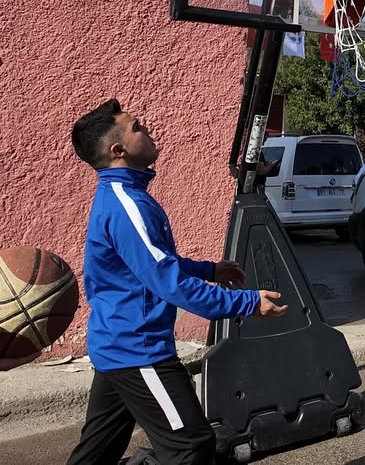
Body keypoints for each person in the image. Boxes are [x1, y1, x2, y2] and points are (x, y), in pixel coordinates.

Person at [67, 100, 288, 465]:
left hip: (117, 346)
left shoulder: (124, 196)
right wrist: (248, 303)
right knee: (190, 446)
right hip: (138, 350)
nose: (147, 130)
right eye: (137, 128)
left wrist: (209, 270)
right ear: (118, 150)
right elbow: (169, 282)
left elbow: (149, 265)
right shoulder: (126, 205)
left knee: (97, 453)